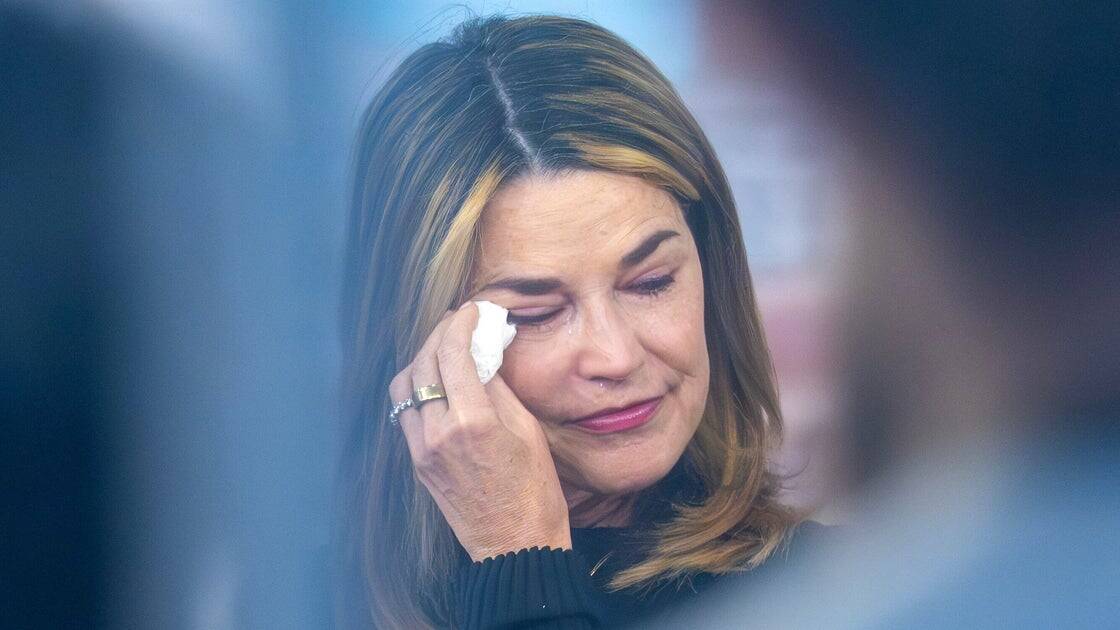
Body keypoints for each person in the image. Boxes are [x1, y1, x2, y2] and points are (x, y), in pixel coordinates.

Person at [336, 14, 822, 630]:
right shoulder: (289, 604)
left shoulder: (841, 594)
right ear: (423, 338)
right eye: (536, 314)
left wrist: (519, 560)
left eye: (651, 282)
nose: (615, 356)